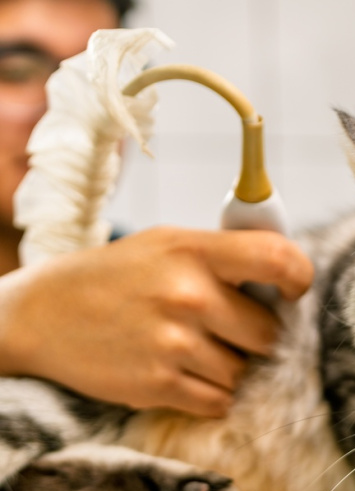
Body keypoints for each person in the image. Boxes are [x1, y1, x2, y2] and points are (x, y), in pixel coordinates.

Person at [0, 0, 315, 418]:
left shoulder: (150, 307)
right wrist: (21, 322)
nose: (69, 110)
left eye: (102, 78)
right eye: (17, 70)